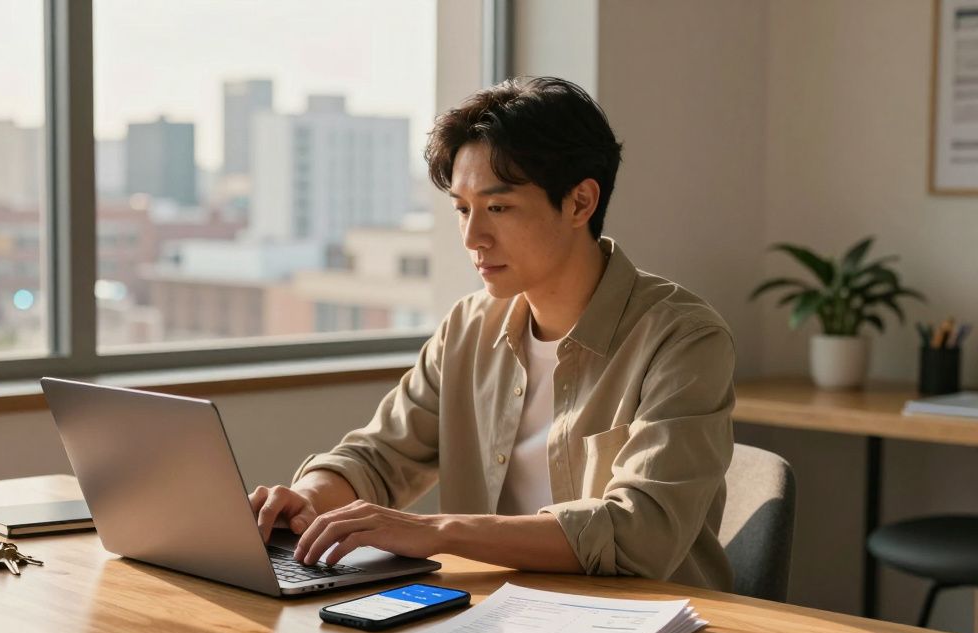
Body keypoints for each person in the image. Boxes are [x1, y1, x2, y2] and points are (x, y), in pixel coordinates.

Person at [250, 77, 735, 591]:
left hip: (644, 628)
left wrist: (438, 531)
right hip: (494, 621)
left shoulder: (683, 339)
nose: (472, 237)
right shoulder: (467, 328)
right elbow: (379, 456)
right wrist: (309, 496)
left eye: (497, 208)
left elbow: (640, 533)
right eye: (462, 209)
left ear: (579, 203)